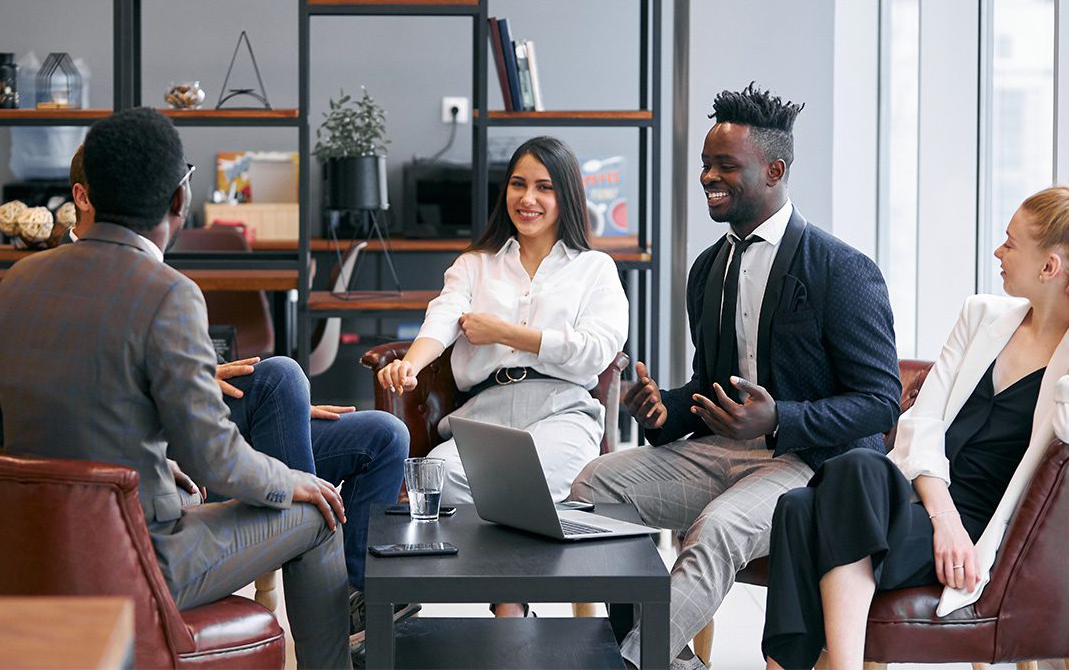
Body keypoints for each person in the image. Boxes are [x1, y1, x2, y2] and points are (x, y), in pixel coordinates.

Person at [0, 108, 350, 669]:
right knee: (320, 512)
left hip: (38, 550)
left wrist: (151, 474)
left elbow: (8, 438)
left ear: (87, 193)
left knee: (193, 492)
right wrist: (293, 479)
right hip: (137, 560)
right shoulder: (169, 293)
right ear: (180, 200)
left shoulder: (15, 283)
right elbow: (217, 460)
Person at [570, 83, 902, 670]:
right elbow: (710, 383)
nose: (707, 177)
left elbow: (881, 403)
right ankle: (665, 659)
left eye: (725, 166)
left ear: (774, 170)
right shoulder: (708, 268)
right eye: (705, 164)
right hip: (722, 449)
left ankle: (630, 663)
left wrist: (780, 418)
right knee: (595, 485)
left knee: (717, 527)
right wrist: (664, 408)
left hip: (811, 464)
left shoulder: (842, 270)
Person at [66, 141, 413, 641]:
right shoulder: (95, 280)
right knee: (291, 415)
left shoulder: (83, 283)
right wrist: (285, 476)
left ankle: (359, 601)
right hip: (177, 454)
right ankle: (335, 623)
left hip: (206, 412)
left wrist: (257, 400)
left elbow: (135, 379)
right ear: (84, 196)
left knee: (382, 431)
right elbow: (119, 405)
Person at [761, 186, 1069, 670]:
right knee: (820, 491)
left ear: (1050, 267)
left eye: (1010, 243)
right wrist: (941, 518)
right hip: (925, 510)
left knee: (816, 498)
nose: (998, 251)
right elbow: (921, 421)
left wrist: (954, 527)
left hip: (978, 534)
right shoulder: (981, 315)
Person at [376, 135, 629, 618]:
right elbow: (442, 319)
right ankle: (511, 602)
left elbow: (597, 350)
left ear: (567, 197)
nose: (527, 199)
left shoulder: (595, 269)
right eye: (517, 184)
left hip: (562, 409)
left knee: (531, 481)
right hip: (484, 414)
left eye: (543, 188)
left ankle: (509, 604)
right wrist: (411, 363)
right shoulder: (475, 265)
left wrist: (508, 332)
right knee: (441, 479)